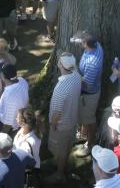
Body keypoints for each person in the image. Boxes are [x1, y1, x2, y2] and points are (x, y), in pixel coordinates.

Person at [47, 53, 81, 183]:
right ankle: (63, 165)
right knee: (67, 147)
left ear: (60, 65)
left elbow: (56, 113)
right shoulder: (77, 76)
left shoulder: (60, 89)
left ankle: (59, 174)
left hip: (61, 126)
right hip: (72, 120)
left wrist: (53, 125)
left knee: (60, 151)